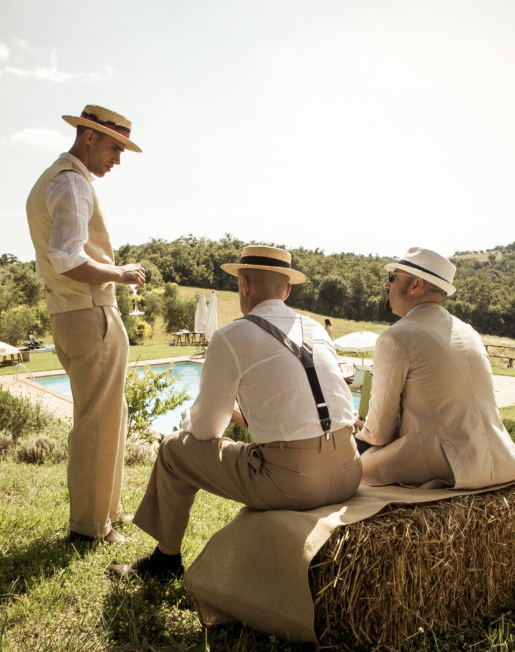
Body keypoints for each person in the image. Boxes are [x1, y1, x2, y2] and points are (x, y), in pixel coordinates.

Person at [109, 245, 361, 579]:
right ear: (287, 290)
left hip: (294, 482)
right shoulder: (315, 328)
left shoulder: (231, 336)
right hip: (348, 468)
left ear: (243, 284)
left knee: (173, 450)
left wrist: (223, 416)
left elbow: (203, 431)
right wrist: (247, 414)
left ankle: (165, 561)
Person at [26, 104, 147, 544]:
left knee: (109, 413)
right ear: (89, 137)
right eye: (115, 148)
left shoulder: (57, 178)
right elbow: (67, 258)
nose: (117, 160)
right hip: (89, 311)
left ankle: (107, 511)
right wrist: (121, 273)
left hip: (74, 312)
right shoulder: (72, 183)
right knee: (97, 420)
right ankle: (91, 528)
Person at [354, 247, 515, 489]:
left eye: (393, 277)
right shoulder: (469, 332)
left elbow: (379, 434)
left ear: (415, 285)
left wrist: (357, 428)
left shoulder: (396, 337)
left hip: (444, 462)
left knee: (346, 465)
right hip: (497, 458)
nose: (386, 285)